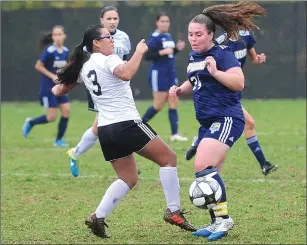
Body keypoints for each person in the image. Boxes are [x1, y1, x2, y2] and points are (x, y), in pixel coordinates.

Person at [52, 24, 196, 238]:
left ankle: (97, 217)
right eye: (107, 37)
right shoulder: (109, 59)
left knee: (128, 178)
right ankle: (173, 211)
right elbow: (126, 73)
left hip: (105, 130)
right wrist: (138, 52)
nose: (111, 39)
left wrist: (63, 81)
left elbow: (58, 90)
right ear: (96, 43)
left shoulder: (85, 65)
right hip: (126, 123)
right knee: (169, 159)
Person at [169, 1, 266, 241]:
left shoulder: (222, 55)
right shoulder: (194, 55)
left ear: (211, 34)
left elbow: (238, 82)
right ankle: (216, 221)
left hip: (226, 119)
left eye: (199, 34)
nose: (193, 38)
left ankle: (224, 220)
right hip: (208, 123)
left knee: (202, 167)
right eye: (191, 34)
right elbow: (194, 80)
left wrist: (216, 73)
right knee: (210, 173)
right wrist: (180, 89)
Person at [185, 29, 277, 175]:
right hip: (222, 94)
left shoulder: (246, 37)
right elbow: (205, 59)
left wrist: (258, 59)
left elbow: (253, 58)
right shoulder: (221, 41)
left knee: (237, 130)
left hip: (234, 89)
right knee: (245, 124)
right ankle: (263, 163)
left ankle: (202, 145)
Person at [66, 6, 135, 177]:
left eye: (115, 18)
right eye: (109, 18)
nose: (112, 21)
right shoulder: (94, 40)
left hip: (118, 86)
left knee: (106, 126)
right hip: (102, 88)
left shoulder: (124, 38)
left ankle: (77, 153)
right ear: (101, 20)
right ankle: (76, 152)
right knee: (102, 127)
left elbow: (124, 62)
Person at [142, 12, 188, 142]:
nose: (165, 24)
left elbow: (170, 53)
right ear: (157, 23)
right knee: (158, 105)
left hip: (170, 73)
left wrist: (177, 49)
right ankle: (139, 125)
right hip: (159, 73)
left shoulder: (167, 36)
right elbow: (147, 56)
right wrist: (161, 52)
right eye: (162, 21)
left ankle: (175, 134)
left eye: (167, 21)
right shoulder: (154, 38)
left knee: (173, 101)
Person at [22, 25, 70, 147]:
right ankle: (31, 122)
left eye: (60, 34)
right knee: (51, 117)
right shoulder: (49, 51)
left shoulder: (65, 51)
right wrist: (52, 76)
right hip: (48, 87)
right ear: (52, 37)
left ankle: (58, 140)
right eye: (55, 35)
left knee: (66, 111)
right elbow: (38, 66)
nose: (57, 37)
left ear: (64, 36)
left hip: (60, 88)